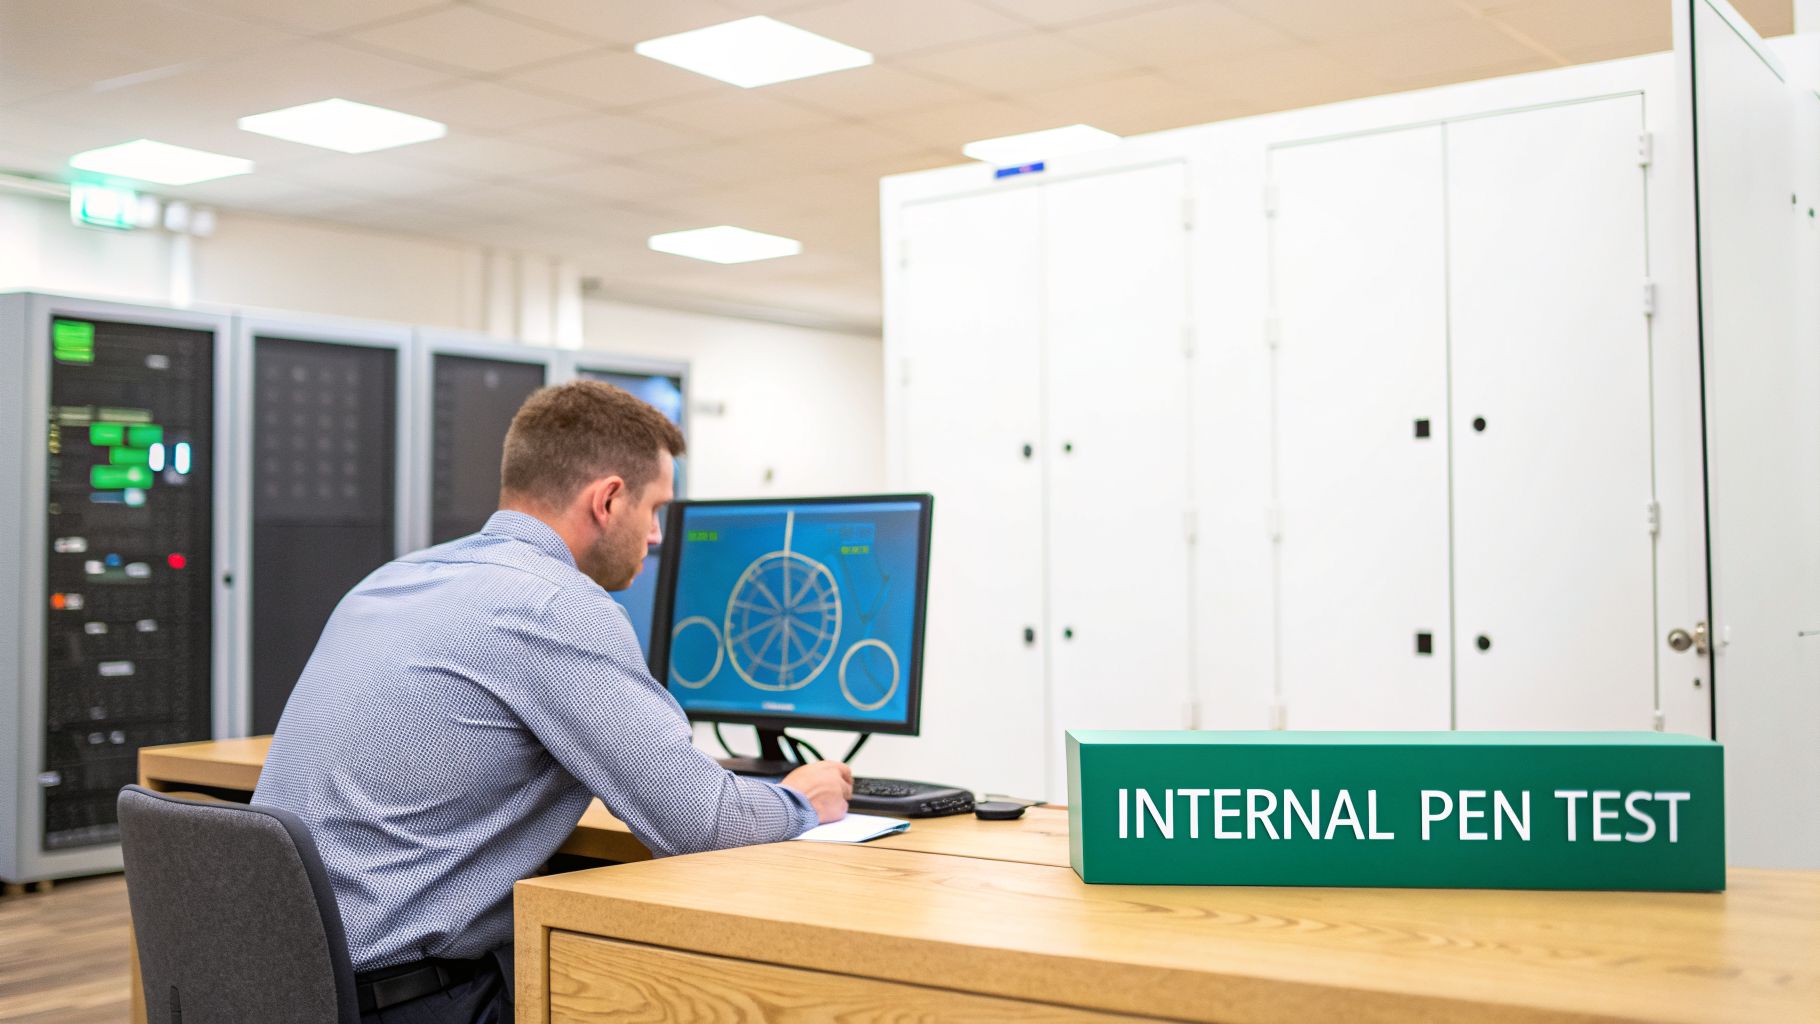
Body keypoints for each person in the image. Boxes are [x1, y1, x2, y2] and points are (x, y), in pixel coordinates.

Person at [252, 380, 852, 1024]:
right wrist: (801, 799)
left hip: (268, 981)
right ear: (609, 500)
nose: (655, 536)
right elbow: (706, 826)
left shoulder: (395, 577)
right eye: (654, 510)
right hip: (395, 1003)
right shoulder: (553, 605)